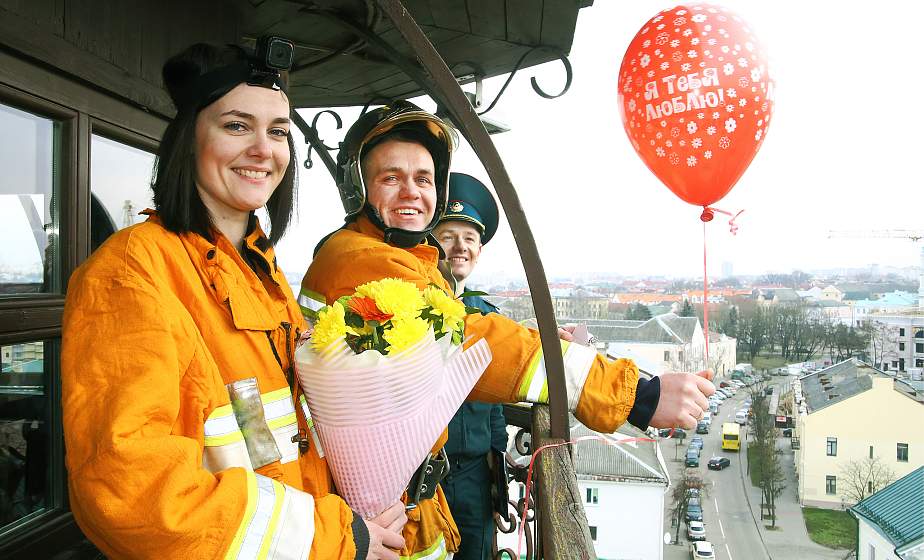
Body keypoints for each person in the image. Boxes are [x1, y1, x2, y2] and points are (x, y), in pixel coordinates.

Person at [299, 100, 716, 559]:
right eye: (390, 178)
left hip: (403, 501)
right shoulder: (359, 258)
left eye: (423, 179)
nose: (411, 192)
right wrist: (635, 394)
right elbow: (471, 343)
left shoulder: (392, 255)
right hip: (380, 510)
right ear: (359, 188)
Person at [61, 41, 406, 559]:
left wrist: (355, 508)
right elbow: (128, 487)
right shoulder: (129, 272)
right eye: (237, 126)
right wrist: (325, 536)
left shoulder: (258, 267)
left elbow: (273, 437)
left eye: (278, 131)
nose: (264, 150)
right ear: (189, 140)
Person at [435, 173, 507, 560]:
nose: (459, 247)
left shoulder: (488, 317)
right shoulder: (408, 308)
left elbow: (494, 406)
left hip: (474, 478)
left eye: (470, 239)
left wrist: (498, 483)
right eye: (448, 237)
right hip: (421, 477)